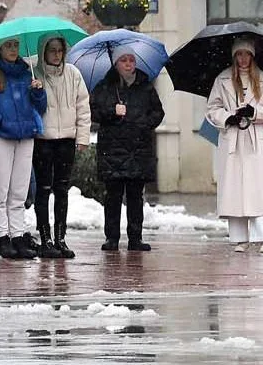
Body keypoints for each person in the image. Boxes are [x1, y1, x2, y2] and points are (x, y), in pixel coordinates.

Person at [0, 37, 45, 260]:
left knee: (19, 191)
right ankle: (3, 237)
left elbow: (40, 107)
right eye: (8, 46)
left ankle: (17, 235)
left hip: (24, 136)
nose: (13, 50)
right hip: (0, 137)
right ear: (0, 49)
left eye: (15, 46)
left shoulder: (26, 73)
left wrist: (38, 92)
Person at [206, 38, 263, 254]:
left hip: (256, 137)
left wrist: (254, 113)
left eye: (247, 54)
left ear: (253, 56)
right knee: (234, 188)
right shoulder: (222, 79)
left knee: (258, 188)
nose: (243, 59)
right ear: (234, 56)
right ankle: (239, 237)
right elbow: (213, 107)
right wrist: (228, 118)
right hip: (233, 138)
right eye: (239, 54)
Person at [91, 51, 165, 252]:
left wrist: (143, 124)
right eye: (123, 60)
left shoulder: (145, 85)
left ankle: (135, 238)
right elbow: (94, 112)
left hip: (138, 148)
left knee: (135, 196)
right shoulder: (105, 86)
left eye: (131, 60)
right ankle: (112, 238)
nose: (128, 64)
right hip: (112, 148)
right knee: (113, 196)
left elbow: (158, 112)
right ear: (116, 63)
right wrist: (112, 112)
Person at [32, 35, 89, 259]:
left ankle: (60, 237)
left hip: (66, 139)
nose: (56, 54)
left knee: (62, 190)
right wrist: (35, 90)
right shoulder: (35, 74)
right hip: (43, 139)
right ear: (44, 51)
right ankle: (45, 237)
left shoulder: (73, 74)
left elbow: (82, 107)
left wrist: (82, 137)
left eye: (60, 50)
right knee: (44, 189)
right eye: (52, 50)